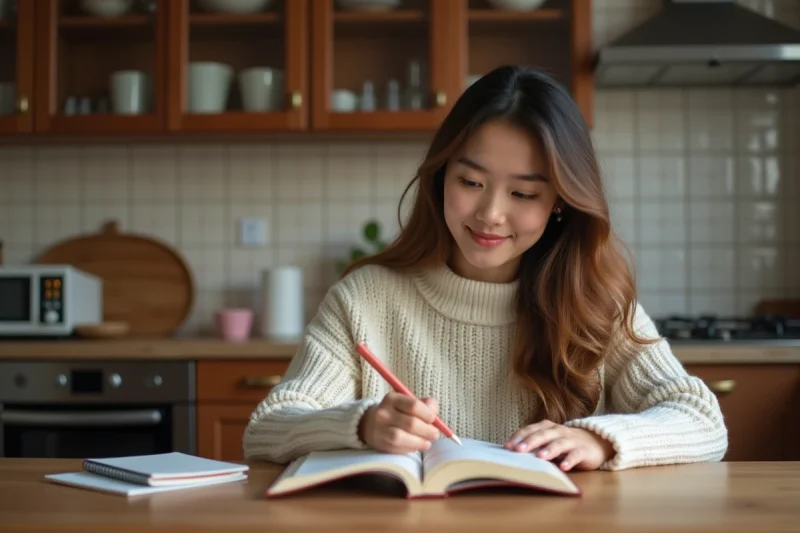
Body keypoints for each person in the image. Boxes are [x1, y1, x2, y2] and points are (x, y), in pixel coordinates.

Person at [243, 65, 728, 472]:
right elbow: (268, 428)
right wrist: (364, 423)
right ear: (440, 177)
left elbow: (703, 420)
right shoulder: (364, 299)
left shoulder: (594, 300)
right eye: (471, 181)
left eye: (523, 194)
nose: (490, 214)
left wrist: (599, 439)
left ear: (560, 202)